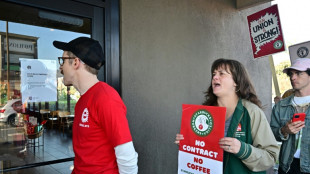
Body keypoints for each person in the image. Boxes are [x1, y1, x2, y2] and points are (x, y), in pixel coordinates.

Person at [175, 58, 279, 174]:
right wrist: (187, 143)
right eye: (214, 74)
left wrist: (242, 149)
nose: (215, 77)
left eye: (222, 74)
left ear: (236, 82)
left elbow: (270, 156)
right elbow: (200, 151)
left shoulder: (252, 112)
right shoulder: (203, 113)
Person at [53, 37, 138, 174]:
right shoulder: (82, 101)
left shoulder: (106, 97)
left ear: (75, 62)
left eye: (63, 60)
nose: (60, 67)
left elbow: (127, 157)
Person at [270, 58, 310, 174]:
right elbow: (271, 134)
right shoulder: (281, 105)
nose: (293, 77)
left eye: (298, 73)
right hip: (287, 165)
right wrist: (284, 130)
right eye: (291, 74)